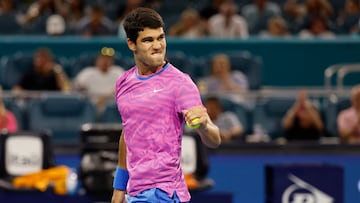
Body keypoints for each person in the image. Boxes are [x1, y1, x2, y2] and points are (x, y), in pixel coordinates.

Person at [111, 7, 221, 203]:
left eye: (160, 38)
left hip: (165, 193)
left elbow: (214, 140)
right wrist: (119, 189)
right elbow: (128, 133)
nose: (157, 46)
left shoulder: (180, 83)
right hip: (135, 193)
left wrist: (205, 126)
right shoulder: (123, 82)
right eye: (148, 40)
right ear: (131, 44)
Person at [74, 47, 125, 113]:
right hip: (91, 104)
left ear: (112, 61)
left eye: (108, 59)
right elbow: (77, 87)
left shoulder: (118, 72)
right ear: (97, 60)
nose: (105, 61)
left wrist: (105, 98)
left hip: (113, 105)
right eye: (103, 58)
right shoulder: (87, 72)